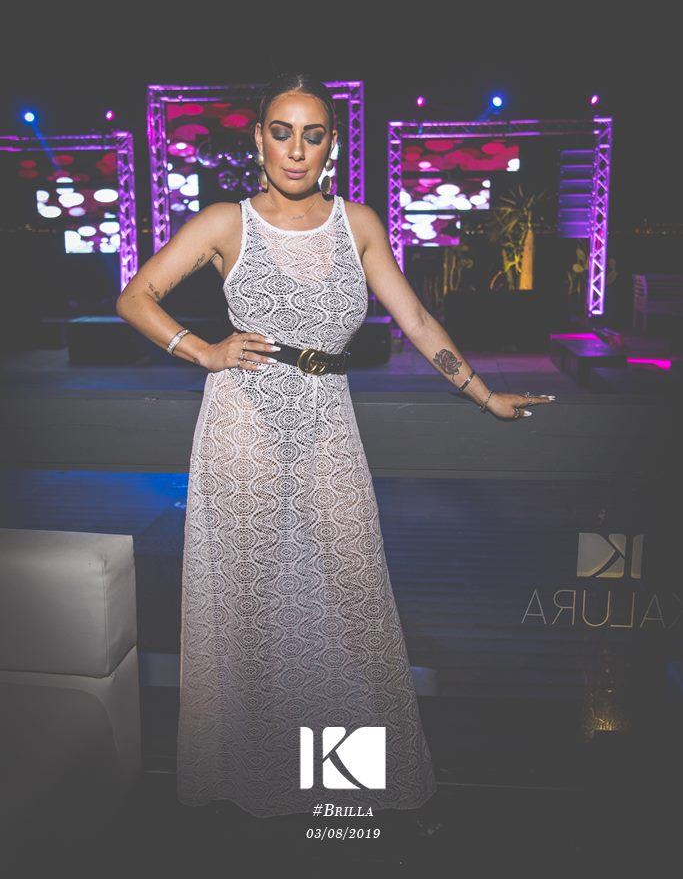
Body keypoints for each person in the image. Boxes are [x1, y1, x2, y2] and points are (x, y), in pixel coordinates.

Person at [116, 72, 555, 820]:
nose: (295, 148)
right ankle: (255, 782)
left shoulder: (358, 224)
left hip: (328, 425)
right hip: (242, 432)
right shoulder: (225, 222)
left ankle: (344, 785)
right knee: (252, 609)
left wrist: (483, 394)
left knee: (350, 600)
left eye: (311, 134)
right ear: (259, 141)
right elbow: (135, 297)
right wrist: (204, 351)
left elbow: (416, 319)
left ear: (332, 146)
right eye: (281, 131)